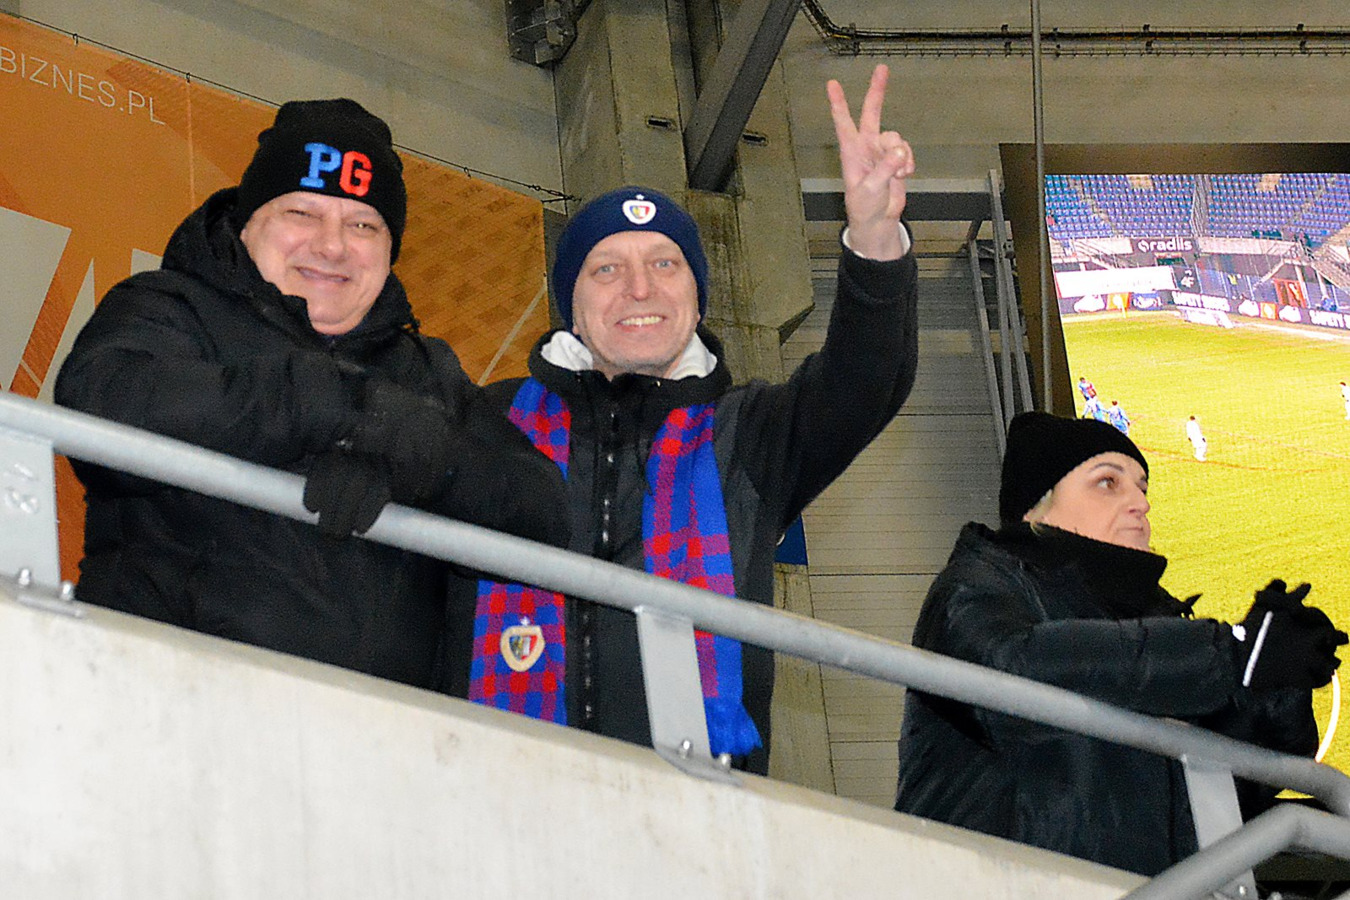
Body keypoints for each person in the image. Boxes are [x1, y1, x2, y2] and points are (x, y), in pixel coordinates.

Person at [446, 64, 919, 774]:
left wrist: (875, 239)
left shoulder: (748, 433)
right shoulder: (490, 421)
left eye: (666, 265)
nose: (640, 288)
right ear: (572, 305)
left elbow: (864, 382)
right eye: (607, 269)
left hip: (692, 811)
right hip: (495, 793)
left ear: (696, 302)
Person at [55, 99, 567, 691]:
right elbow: (102, 401)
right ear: (248, 222)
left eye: (363, 225)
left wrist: (418, 457)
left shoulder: (426, 369)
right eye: (302, 212)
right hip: (159, 700)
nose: (332, 246)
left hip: (381, 732)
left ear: (390, 250)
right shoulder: (170, 307)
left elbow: (545, 512)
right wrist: (340, 410)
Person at [894, 412, 1346, 876]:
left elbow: (1228, 796)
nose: (1140, 503)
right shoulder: (976, 586)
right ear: (1035, 509)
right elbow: (1013, 667)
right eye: (1108, 483)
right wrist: (1229, 653)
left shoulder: (1153, 625)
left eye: (1142, 487)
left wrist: (1271, 687)